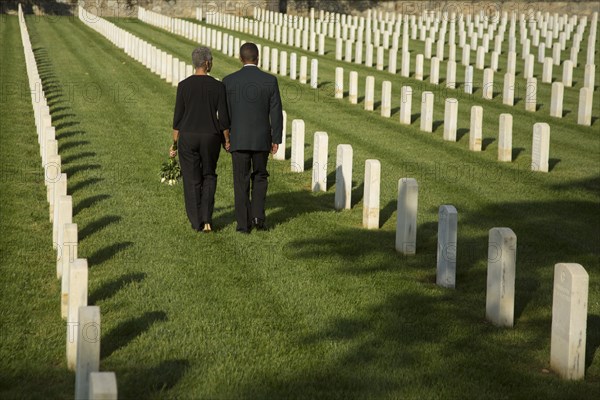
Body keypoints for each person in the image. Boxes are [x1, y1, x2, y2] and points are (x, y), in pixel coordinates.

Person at [223, 42, 283, 233]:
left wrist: (225, 137)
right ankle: (258, 217)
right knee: (260, 177)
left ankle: (243, 225)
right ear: (258, 58)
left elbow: (224, 113)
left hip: (238, 138)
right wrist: (276, 138)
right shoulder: (270, 81)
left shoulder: (229, 81)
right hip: (261, 139)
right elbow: (276, 112)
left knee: (241, 180)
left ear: (240, 59)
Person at [171, 46, 230, 233]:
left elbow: (177, 119)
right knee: (209, 175)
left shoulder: (184, 86)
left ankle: (196, 221)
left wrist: (174, 144)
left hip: (188, 136)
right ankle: (207, 220)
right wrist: (226, 140)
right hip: (211, 136)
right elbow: (224, 119)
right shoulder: (218, 86)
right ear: (206, 63)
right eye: (211, 61)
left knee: (191, 179)